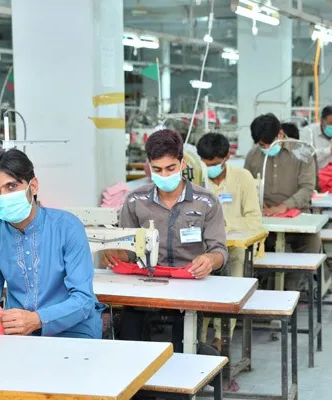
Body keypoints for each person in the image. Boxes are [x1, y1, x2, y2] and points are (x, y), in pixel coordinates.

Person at [101, 129, 228, 353]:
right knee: (129, 344)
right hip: (143, 284)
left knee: (183, 349)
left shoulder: (206, 202)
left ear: (182, 163)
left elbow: (219, 250)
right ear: (149, 166)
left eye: (171, 168)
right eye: (158, 169)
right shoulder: (135, 201)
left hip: (189, 285)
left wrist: (209, 260)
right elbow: (128, 249)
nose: (165, 175)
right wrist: (115, 253)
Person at [0, 149, 104, 338]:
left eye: (11, 186)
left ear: (33, 186)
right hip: (19, 332)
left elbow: (83, 300)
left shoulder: (67, 227)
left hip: (74, 329)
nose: (3, 196)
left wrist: (37, 319)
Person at [197, 133, 262, 351]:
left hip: (235, 246)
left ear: (227, 157)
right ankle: (198, 337)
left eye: (214, 164)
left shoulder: (243, 178)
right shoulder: (197, 179)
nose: (210, 169)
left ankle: (222, 336)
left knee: (232, 279)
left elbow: (254, 219)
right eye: (206, 164)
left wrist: (223, 225)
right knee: (199, 282)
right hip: (202, 245)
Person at [244, 113, 321, 291]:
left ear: (280, 134)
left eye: (268, 144)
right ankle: (262, 287)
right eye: (261, 145)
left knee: (311, 242)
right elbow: (247, 184)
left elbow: (307, 187)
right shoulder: (253, 155)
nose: (265, 148)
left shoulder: (302, 150)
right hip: (264, 216)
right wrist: (256, 201)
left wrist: (284, 206)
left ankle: (290, 289)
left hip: (297, 214)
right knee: (247, 245)